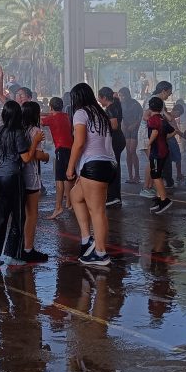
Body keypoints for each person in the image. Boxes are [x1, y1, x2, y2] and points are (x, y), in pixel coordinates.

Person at [65, 83, 116, 266]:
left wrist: (71, 167)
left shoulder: (81, 113)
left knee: (97, 211)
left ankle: (101, 253)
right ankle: (87, 240)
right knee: (75, 196)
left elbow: (79, 143)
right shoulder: (100, 113)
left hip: (94, 166)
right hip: (106, 164)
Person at [0, 101, 39, 266]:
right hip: (12, 177)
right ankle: (12, 254)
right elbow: (26, 158)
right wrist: (35, 142)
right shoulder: (18, 133)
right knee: (17, 216)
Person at [20, 101, 51, 262]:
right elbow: (37, 155)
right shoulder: (36, 131)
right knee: (32, 214)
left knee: (20, 214)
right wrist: (46, 156)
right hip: (30, 175)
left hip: (16, 176)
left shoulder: (18, 129)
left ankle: (18, 248)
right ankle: (28, 248)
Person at [42, 96, 73, 219]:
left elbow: (40, 121)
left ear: (50, 107)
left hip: (61, 149)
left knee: (59, 179)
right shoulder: (65, 116)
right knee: (67, 177)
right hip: (70, 149)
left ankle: (58, 207)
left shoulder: (52, 118)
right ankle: (69, 202)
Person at [143, 96, 174, 214]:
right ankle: (159, 198)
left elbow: (155, 132)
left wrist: (149, 143)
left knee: (155, 175)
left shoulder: (152, 119)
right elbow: (173, 131)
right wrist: (163, 138)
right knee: (158, 175)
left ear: (150, 108)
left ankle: (164, 199)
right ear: (161, 108)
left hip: (157, 152)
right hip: (164, 150)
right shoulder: (162, 119)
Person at [97, 87, 126, 206]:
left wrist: (102, 122)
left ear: (104, 97)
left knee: (113, 167)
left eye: (99, 98)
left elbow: (114, 125)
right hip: (118, 139)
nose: (99, 100)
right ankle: (114, 196)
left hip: (115, 140)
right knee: (114, 166)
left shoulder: (110, 109)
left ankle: (113, 196)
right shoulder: (116, 105)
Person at [118, 86, 143, 185]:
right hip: (126, 128)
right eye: (120, 96)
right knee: (128, 152)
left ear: (128, 95)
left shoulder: (135, 103)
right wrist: (122, 124)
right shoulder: (120, 104)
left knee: (132, 151)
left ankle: (137, 175)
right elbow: (120, 116)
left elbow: (141, 116)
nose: (121, 97)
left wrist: (135, 124)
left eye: (122, 96)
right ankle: (130, 176)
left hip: (135, 129)